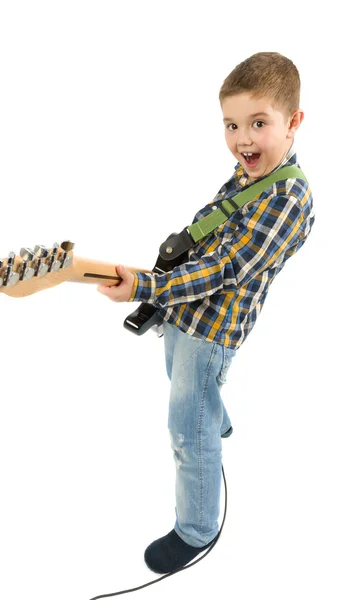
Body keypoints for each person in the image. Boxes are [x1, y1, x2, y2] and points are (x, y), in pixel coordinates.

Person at [97, 51, 315, 574]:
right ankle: (209, 415)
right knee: (184, 385)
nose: (243, 139)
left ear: (294, 123)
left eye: (258, 123)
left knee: (185, 430)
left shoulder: (288, 197)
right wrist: (163, 285)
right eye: (232, 124)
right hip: (185, 315)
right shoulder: (249, 175)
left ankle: (196, 530)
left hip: (212, 330)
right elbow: (210, 231)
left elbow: (223, 268)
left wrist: (147, 285)